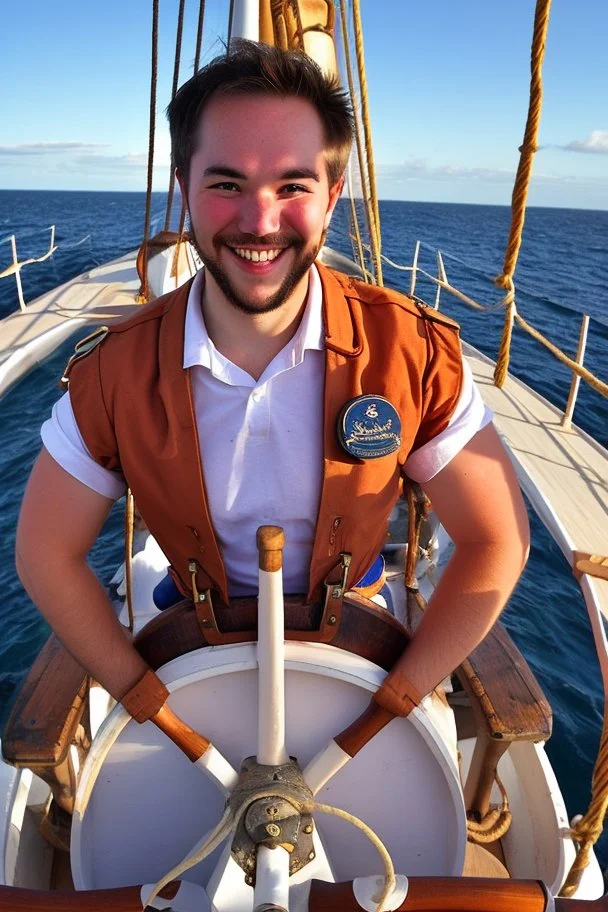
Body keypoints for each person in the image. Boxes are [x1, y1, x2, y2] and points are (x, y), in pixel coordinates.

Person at [15, 40, 529, 725]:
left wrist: (401, 698)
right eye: (226, 184)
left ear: (333, 195)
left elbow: (496, 538)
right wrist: (141, 698)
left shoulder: (411, 353)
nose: (260, 222)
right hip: (191, 653)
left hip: (359, 646)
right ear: (184, 188)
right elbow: (46, 552)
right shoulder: (114, 372)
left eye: (292, 187)